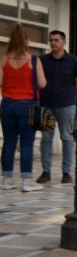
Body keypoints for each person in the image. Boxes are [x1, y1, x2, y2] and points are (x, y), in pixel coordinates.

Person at [1, 23, 48, 193]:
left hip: (7, 104)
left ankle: (6, 180)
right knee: (27, 144)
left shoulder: (4, 59)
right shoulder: (33, 60)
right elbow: (42, 83)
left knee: (8, 142)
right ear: (26, 41)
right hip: (27, 105)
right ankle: (27, 182)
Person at [36, 30, 77, 185]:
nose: (53, 43)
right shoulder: (42, 60)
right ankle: (46, 172)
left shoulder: (73, 61)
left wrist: (67, 94)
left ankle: (66, 172)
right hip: (46, 106)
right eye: (51, 40)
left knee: (67, 138)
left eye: (56, 40)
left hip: (65, 106)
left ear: (64, 42)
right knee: (46, 139)